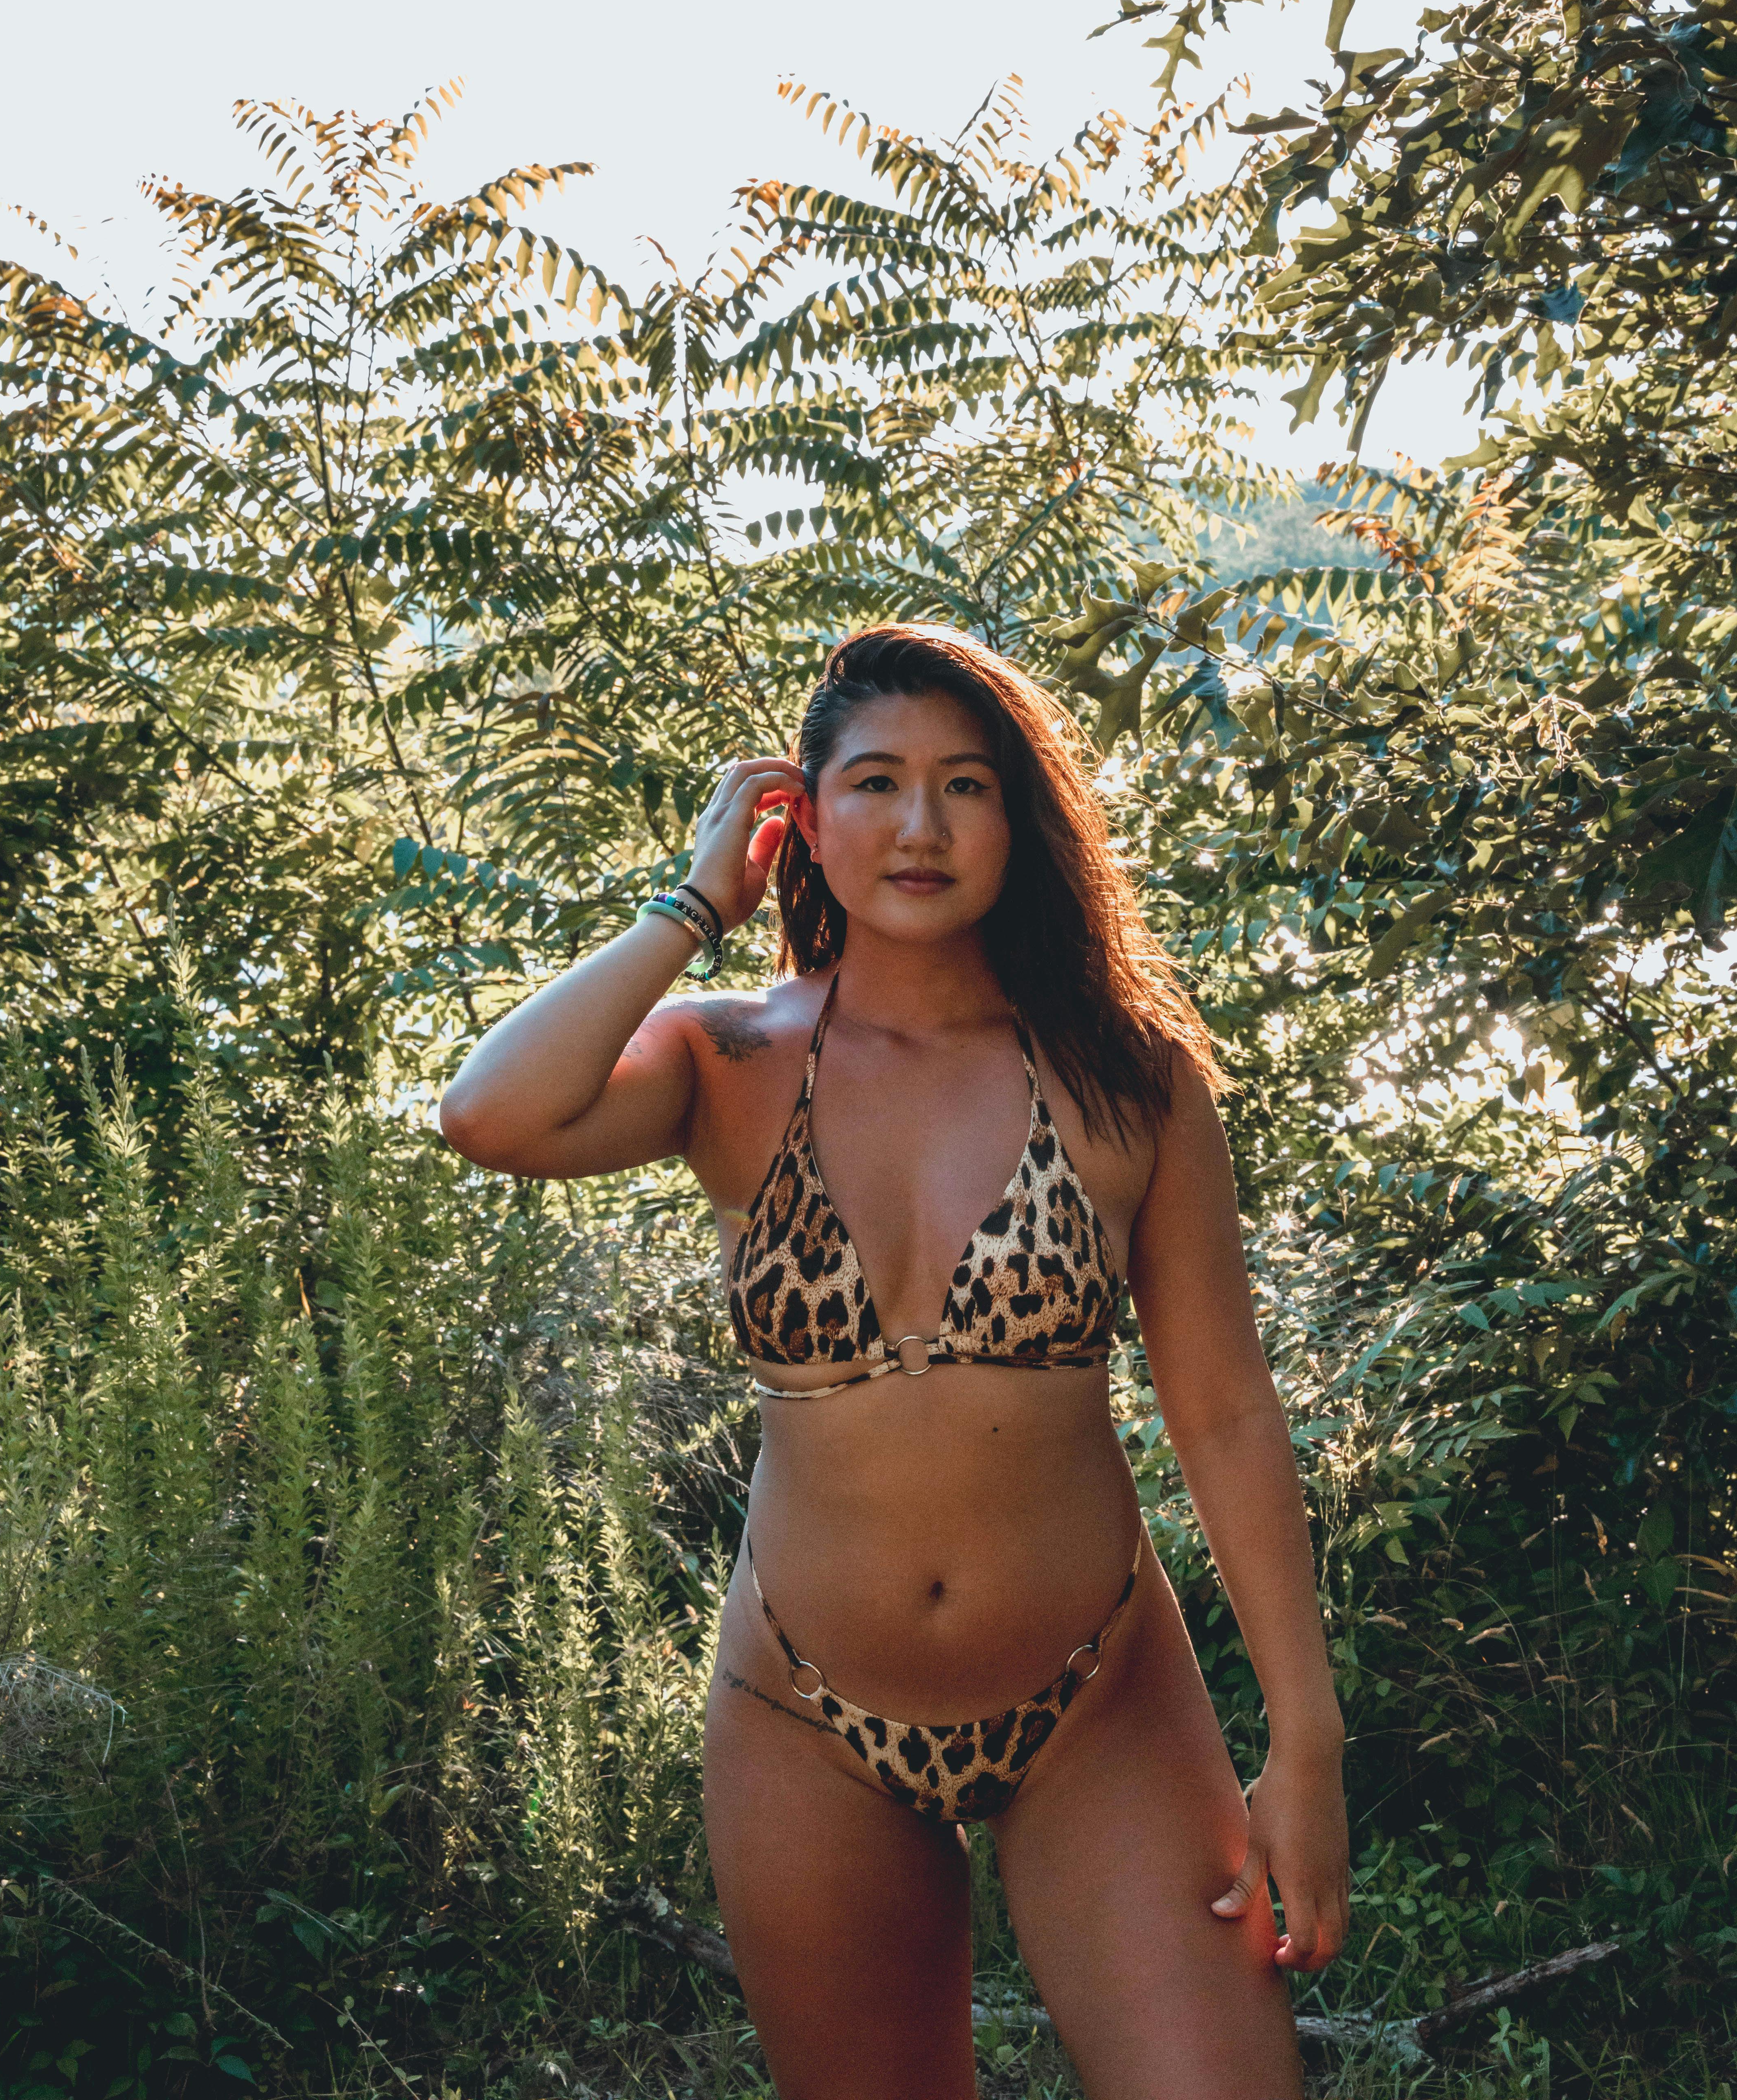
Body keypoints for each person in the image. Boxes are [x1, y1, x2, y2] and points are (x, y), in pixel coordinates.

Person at [440, 624, 1348, 2098]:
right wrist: (691, 903)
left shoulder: (1129, 1075)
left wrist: (1305, 1747)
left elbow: (1229, 1414)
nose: (921, 827)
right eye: (875, 783)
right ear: (800, 812)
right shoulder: (723, 1061)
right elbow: (489, 1117)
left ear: (1020, 817)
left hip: (1097, 1698)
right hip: (804, 1714)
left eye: (966, 786)